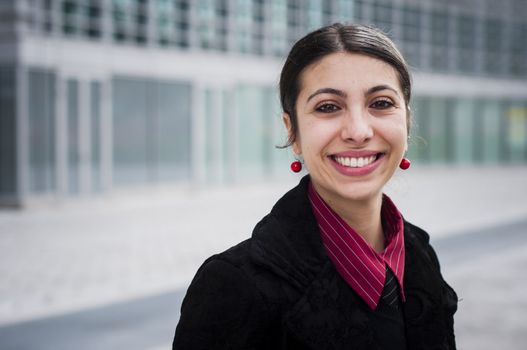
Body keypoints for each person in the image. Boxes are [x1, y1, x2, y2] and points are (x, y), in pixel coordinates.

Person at [172, 23, 458, 350]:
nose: (358, 131)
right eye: (328, 107)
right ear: (291, 131)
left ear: (406, 122)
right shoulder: (234, 286)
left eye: (380, 103)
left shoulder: (419, 254)